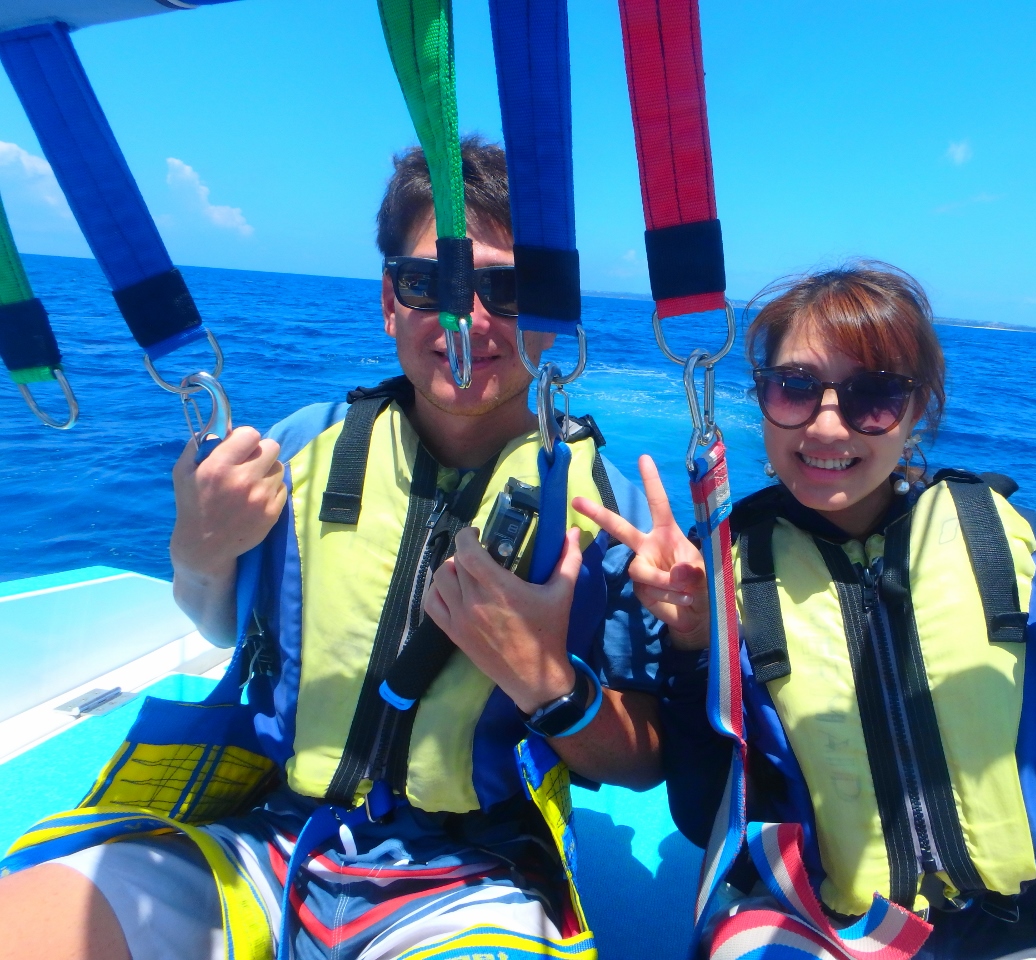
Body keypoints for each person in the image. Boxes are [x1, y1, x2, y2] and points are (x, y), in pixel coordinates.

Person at [0, 137, 666, 960]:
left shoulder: (605, 514)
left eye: (508, 289)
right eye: (430, 285)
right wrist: (199, 550)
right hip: (268, 838)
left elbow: (642, 764)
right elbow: (219, 626)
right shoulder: (298, 451)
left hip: (472, 877)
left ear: (553, 315)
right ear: (390, 302)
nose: (467, 319)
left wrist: (547, 682)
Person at [575, 263, 1036, 960]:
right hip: (822, 926)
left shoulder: (1013, 548)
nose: (827, 425)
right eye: (795, 387)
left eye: (873, 396)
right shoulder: (723, 572)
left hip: (1020, 931)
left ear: (917, 410)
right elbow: (703, 819)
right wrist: (691, 645)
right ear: (763, 399)